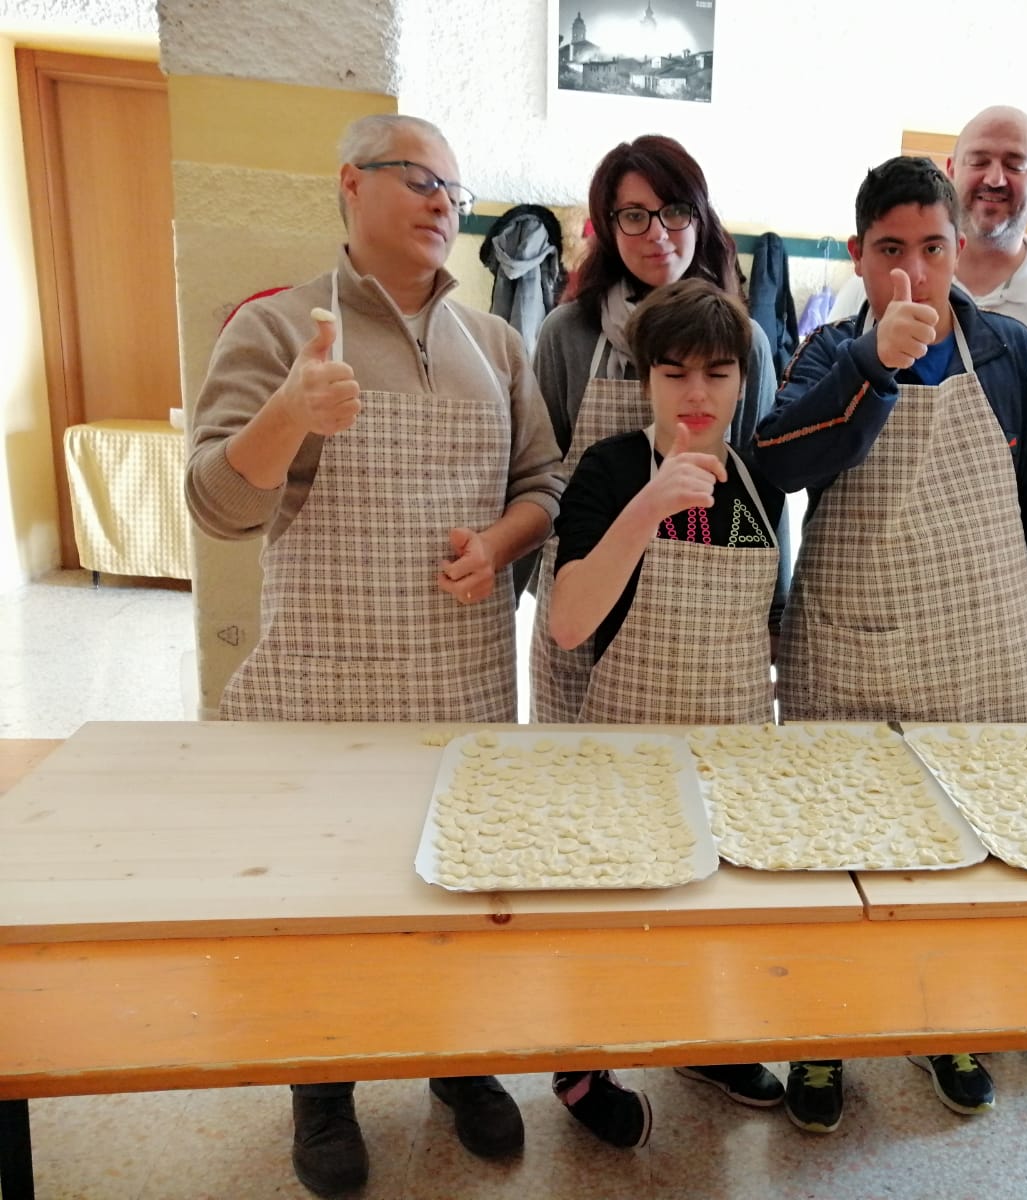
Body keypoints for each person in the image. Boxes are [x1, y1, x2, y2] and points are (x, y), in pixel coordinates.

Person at [185, 114, 563, 1196]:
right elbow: (213, 503)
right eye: (420, 179)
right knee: (324, 896)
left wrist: (496, 543)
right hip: (322, 682)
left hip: (462, 679)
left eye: (457, 186)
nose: (446, 202)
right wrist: (288, 415)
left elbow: (543, 485)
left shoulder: (494, 344)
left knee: (457, 890)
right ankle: (323, 1083)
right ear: (350, 184)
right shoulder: (274, 328)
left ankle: (458, 1062)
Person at [755, 155, 1027, 1133]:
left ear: (961, 250)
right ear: (860, 256)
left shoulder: (1009, 355)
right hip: (848, 644)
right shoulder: (828, 350)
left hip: (978, 642)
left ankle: (941, 1021)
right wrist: (873, 368)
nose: (912, 271)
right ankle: (821, 1038)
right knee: (840, 852)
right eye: (889, 250)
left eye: (932, 248)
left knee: (960, 852)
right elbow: (780, 461)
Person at [543, 278, 787, 1147]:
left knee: (711, 908)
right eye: (675, 373)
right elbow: (570, 623)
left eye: (717, 375)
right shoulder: (610, 470)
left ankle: (703, 1041)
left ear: (742, 383)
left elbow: (767, 619)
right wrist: (649, 506)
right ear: (645, 377)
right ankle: (582, 1061)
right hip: (623, 741)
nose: (695, 395)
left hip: (728, 741)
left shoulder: (757, 484)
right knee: (605, 911)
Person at [530, 135, 778, 722]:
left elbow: (757, 492)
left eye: (675, 211)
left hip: (715, 629)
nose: (658, 233)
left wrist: (772, 619)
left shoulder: (747, 340)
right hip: (594, 591)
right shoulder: (569, 333)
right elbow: (541, 472)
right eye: (634, 216)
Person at [829, 105, 1027, 346]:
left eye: (1014, 166)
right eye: (978, 162)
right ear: (951, 172)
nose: (994, 179)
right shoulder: (867, 290)